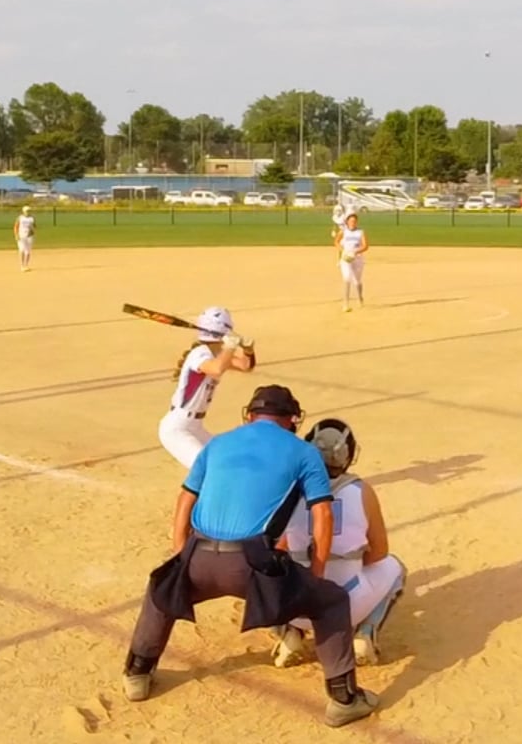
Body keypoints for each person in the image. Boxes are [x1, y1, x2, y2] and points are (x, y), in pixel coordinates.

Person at [124, 384, 380, 728]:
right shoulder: (304, 452)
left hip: (199, 553)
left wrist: (181, 557)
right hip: (253, 565)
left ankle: (137, 672)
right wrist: (315, 576)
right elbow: (322, 515)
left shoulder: (217, 444)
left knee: (162, 589)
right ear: (293, 420)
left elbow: (185, 500)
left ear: (249, 415)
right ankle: (344, 698)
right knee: (331, 601)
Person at [271, 418, 406, 668]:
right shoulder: (362, 491)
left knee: (264, 570)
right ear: (348, 456)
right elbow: (379, 551)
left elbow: (275, 548)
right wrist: (350, 560)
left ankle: (290, 633)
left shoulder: (287, 489)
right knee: (395, 567)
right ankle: (365, 635)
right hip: (347, 607)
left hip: (297, 608)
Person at [159, 307, 256, 469]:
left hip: (195, 426)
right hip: (177, 428)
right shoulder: (200, 353)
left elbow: (245, 366)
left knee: (224, 460)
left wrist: (248, 350)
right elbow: (216, 369)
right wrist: (230, 346)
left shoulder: (216, 355)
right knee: (207, 469)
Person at [334, 212, 368, 311]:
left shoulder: (361, 232)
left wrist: (355, 252)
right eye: (351, 221)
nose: (352, 223)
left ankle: (360, 298)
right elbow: (336, 242)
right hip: (346, 258)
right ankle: (346, 304)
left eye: (354, 221)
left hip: (357, 258)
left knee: (357, 281)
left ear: (357, 222)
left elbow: (365, 246)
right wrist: (343, 251)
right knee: (347, 278)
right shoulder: (343, 231)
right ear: (347, 222)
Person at [14, 205, 36, 271]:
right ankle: (22, 266)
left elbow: (34, 226)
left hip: (29, 236)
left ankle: (26, 265)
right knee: (22, 250)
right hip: (21, 235)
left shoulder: (32, 218)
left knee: (28, 251)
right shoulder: (20, 218)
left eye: (29, 211)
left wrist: (32, 230)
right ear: (23, 211)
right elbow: (16, 226)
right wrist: (16, 235)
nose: (28, 212)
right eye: (26, 211)